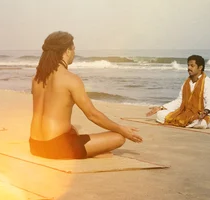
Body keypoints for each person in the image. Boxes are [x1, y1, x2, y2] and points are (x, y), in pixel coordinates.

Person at [29, 31, 143, 159]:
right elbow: (92, 114)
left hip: (35, 146)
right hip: (57, 148)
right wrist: (121, 129)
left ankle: (90, 151)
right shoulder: (71, 79)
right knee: (118, 138)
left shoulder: (37, 79)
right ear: (67, 51)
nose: (74, 53)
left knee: (73, 130)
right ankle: (91, 152)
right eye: (74, 49)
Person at [146, 55, 210, 129]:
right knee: (160, 114)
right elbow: (180, 101)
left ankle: (191, 122)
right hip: (186, 113)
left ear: (200, 68)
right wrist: (161, 108)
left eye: (192, 66)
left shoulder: (208, 83)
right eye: (188, 65)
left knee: (201, 122)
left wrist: (205, 112)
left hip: (203, 115)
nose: (189, 68)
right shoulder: (186, 83)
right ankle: (188, 122)